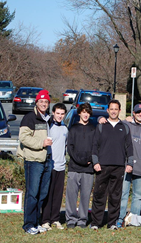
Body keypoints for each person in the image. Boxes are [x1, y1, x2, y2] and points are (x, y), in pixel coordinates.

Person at [91, 100, 133, 230]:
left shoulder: (124, 127)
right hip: (102, 166)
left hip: (119, 166)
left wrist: (130, 163)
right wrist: (95, 162)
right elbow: (94, 146)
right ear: (107, 110)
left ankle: (112, 223)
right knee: (99, 195)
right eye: (111, 109)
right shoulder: (101, 126)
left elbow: (129, 147)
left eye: (116, 109)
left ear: (120, 111)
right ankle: (96, 223)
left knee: (115, 196)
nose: (114, 111)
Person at [17, 89, 53, 235]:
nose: (43, 104)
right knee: (32, 194)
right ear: (36, 102)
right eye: (41, 101)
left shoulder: (47, 118)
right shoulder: (29, 118)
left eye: (46, 102)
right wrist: (41, 143)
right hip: (33, 160)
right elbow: (23, 138)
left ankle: (36, 222)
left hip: (47, 160)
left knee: (42, 194)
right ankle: (28, 224)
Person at [116, 103, 141, 228]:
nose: (140, 114)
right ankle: (120, 218)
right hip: (126, 167)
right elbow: (113, 124)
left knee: (138, 196)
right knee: (123, 194)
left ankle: (132, 219)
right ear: (133, 113)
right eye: (137, 112)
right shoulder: (126, 125)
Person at [65, 103, 96, 229]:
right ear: (79, 113)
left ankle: (82, 219)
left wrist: (89, 160)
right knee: (71, 195)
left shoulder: (93, 129)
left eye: (87, 112)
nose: (85, 114)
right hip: (74, 167)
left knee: (85, 195)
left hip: (88, 169)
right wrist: (79, 160)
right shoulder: (73, 128)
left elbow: (95, 147)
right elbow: (70, 147)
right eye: (83, 112)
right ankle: (71, 219)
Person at [41, 103, 68, 231]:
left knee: (58, 194)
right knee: (48, 194)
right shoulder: (48, 126)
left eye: (62, 114)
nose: (60, 116)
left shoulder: (65, 128)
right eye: (58, 113)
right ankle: (45, 220)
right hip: (50, 165)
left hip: (61, 166)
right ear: (53, 113)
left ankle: (55, 219)